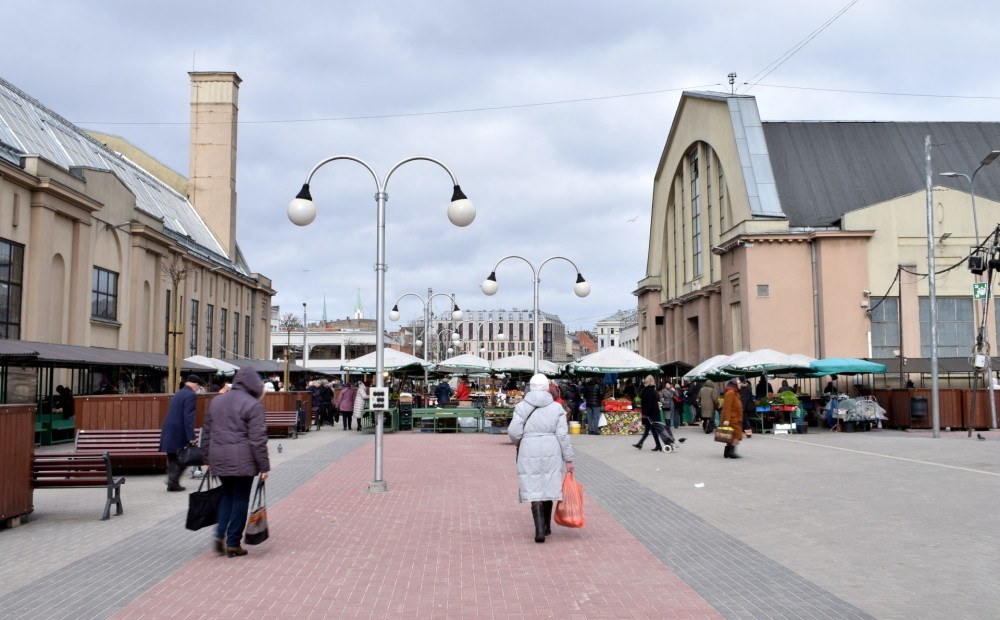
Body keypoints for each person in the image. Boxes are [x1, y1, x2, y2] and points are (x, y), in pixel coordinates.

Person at [202, 365, 270, 557]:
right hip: (244, 461)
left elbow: (206, 433)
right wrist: (264, 466)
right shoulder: (253, 405)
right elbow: (257, 440)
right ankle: (233, 543)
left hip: (219, 459)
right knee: (240, 498)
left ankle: (218, 534)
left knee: (226, 496)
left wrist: (207, 458)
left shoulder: (217, 401)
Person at [508, 373, 574, 543]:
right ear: (547, 388)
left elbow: (514, 432)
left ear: (530, 387)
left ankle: (539, 529)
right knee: (548, 484)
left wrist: (519, 442)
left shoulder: (521, 406)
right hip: (551, 447)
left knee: (532, 485)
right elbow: (563, 435)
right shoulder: (556, 408)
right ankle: (547, 526)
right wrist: (569, 459)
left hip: (528, 448)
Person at [159, 375, 203, 492]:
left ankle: (172, 482)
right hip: (179, 432)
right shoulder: (190, 395)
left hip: (169, 430)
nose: (197, 389)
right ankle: (173, 481)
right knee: (185, 458)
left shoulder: (179, 393)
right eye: (198, 386)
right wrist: (191, 437)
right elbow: (188, 417)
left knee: (173, 457)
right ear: (195, 384)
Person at [633, 375, 669, 451]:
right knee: (650, 429)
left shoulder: (649, 390)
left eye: (646, 381)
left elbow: (649, 403)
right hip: (652, 413)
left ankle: (643, 443)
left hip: (651, 414)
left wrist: (645, 413)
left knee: (652, 430)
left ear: (650, 381)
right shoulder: (651, 390)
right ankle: (642, 443)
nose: (645, 382)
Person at [720, 378, 745, 459]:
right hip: (732, 418)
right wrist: (726, 419)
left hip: (734, 418)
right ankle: (731, 452)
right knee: (736, 436)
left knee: (730, 435)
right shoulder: (731, 393)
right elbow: (727, 407)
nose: (740, 384)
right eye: (739, 383)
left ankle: (727, 452)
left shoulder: (735, 393)